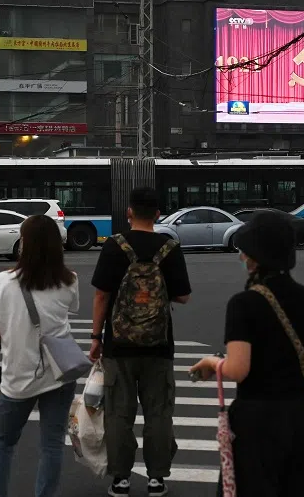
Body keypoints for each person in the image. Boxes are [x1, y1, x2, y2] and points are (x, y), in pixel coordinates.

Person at [189, 210, 304, 497]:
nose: (242, 257)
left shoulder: (245, 303)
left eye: (245, 252)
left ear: (256, 256)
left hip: (259, 422)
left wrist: (211, 362)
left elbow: (239, 369)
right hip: (301, 418)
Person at [90, 187, 192, 497]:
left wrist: (96, 337)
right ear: (158, 214)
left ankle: (121, 479)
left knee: (119, 414)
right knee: (158, 412)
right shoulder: (169, 247)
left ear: (129, 212)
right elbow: (183, 296)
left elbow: (101, 295)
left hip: (119, 346)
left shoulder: (114, 246)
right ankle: (156, 479)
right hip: (159, 346)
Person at [0, 214, 80, 497]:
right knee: (52, 445)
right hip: (60, 374)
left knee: (2, 444)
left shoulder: (4, 281)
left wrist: (12, 329)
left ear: (25, 244)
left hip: (17, 378)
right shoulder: (69, 280)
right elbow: (66, 313)